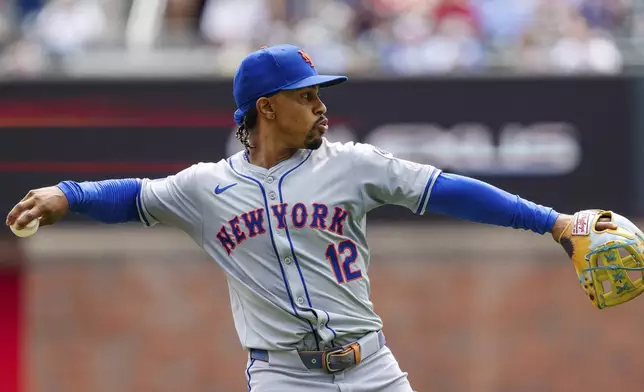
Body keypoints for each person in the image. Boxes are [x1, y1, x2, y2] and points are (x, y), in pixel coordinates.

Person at [5, 44, 616, 391]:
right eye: (307, 96)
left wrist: (554, 223)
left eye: (320, 93)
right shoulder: (205, 187)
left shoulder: (351, 164)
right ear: (266, 109)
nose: (321, 106)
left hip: (370, 366)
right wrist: (67, 193)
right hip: (282, 380)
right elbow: (134, 195)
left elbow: (448, 189)